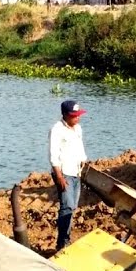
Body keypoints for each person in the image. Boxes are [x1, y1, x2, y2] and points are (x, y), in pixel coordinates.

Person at [49, 99, 88, 249]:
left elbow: (80, 148)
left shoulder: (77, 128)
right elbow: (53, 156)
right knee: (66, 207)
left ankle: (66, 238)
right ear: (65, 115)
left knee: (72, 207)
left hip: (76, 172)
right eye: (74, 115)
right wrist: (59, 177)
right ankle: (62, 243)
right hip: (64, 173)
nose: (77, 118)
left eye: (78, 115)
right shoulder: (57, 130)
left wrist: (83, 161)